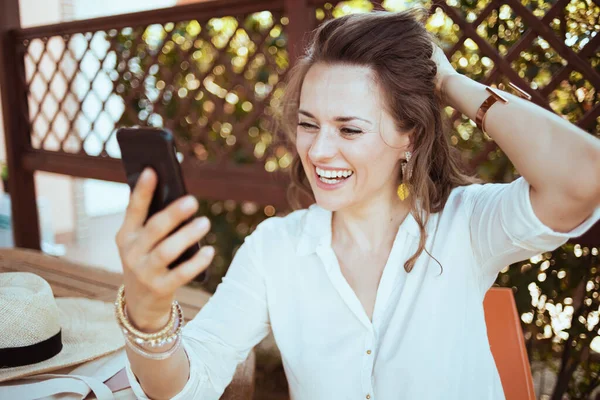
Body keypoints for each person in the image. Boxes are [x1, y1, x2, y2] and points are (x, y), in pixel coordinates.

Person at [114, 8, 600, 400]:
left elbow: (583, 178)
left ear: (409, 137)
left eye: (349, 129)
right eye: (309, 124)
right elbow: (188, 385)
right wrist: (148, 317)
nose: (319, 150)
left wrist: (451, 82)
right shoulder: (275, 248)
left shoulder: (464, 226)